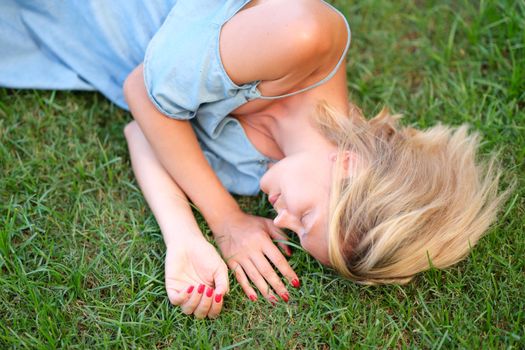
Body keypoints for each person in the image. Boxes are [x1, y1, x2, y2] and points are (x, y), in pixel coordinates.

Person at [0, 0, 506, 320]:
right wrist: (224, 220)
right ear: (350, 167)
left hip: (74, 39)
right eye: (305, 217)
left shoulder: (261, 172)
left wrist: (185, 239)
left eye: (296, 233)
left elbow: (142, 130)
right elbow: (142, 91)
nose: (279, 219)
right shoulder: (304, 35)